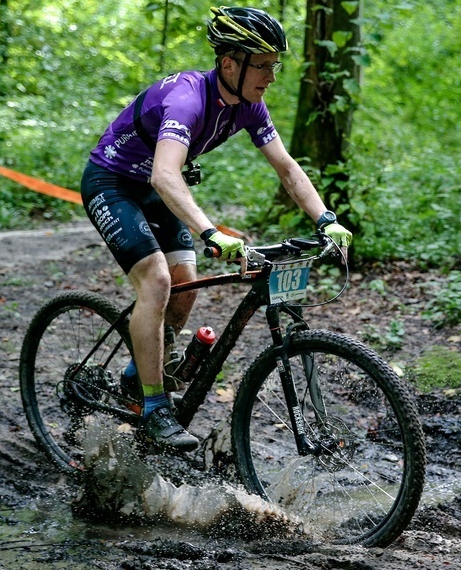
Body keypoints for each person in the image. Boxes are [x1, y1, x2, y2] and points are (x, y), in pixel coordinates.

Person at [80, 5, 353, 452]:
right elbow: (165, 176)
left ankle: (136, 371)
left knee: (185, 289)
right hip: (113, 183)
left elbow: (286, 167)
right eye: (261, 65)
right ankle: (154, 407)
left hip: (156, 189)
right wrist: (211, 232)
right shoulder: (187, 98)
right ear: (230, 63)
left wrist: (326, 218)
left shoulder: (249, 107)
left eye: (274, 65)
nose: (270, 75)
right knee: (157, 282)